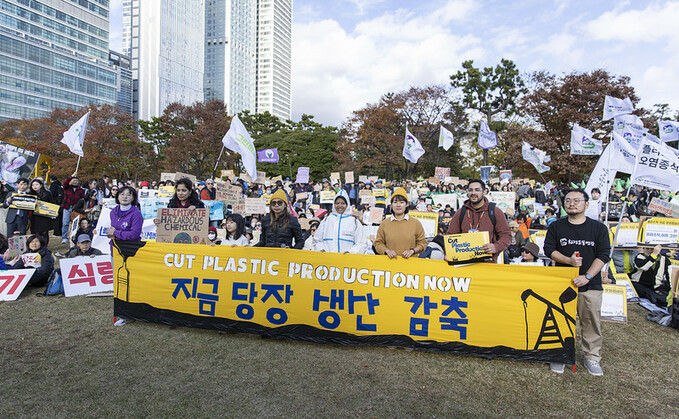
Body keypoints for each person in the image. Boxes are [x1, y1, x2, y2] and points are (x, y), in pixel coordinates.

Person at [544, 189, 611, 376]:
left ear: (586, 204)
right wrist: (568, 261)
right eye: (568, 200)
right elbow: (549, 249)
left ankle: (592, 357)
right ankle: (559, 354)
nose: (571, 203)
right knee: (560, 318)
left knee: (591, 321)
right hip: (562, 283)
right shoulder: (556, 226)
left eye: (576, 200)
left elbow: (603, 255)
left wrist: (587, 276)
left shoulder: (598, 228)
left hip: (590, 284)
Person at [446, 179, 511, 262]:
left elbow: (506, 235)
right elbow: (450, 236)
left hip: (487, 265)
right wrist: (448, 252)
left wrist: (496, 247)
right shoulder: (461, 212)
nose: (473, 193)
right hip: (464, 264)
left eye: (477, 190)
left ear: (484, 192)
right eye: (470, 190)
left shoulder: (495, 211)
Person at [373, 187, 427, 259]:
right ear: (391, 204)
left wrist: (412, 251)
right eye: (395, 202)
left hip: (410, 265)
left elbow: (422, 243)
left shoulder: (416, 223)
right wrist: (386, 251)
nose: (398, 205)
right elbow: (378, 243)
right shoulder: (384, 224)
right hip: (390, 265)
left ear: (407, 204)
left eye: (401, 202)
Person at [27, 178, 54, 243]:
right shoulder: (30, 194)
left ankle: (45, 246)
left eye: (36, 184)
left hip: (44, 216)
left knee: (44, 232)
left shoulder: (47, 193)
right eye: (33, 185)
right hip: (34, 217)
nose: (35, 186)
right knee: (35, 232)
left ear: (41, 185)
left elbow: (52, 204)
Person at [61, 173, 85, 243]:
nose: (75, 182)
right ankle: (64, 237)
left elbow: (82, 199)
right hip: (67, 207)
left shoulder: (80, 190)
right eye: (74, 180)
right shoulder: (67, 188)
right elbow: (65, 183)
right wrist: (71, 176)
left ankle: (74, 236)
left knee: (75, 223)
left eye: (77, 181)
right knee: (65, 223)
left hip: (76, 209)